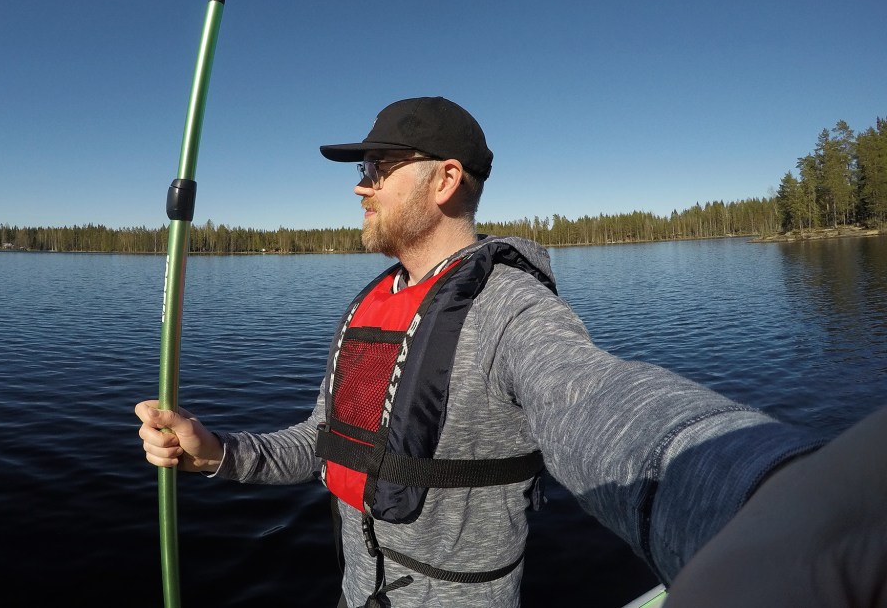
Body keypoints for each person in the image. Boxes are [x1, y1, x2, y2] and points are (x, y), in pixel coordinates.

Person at [136, 96, 887, 608]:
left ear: (444, 179)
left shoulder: (513, 309)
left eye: (377, 167)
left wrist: (777, 501)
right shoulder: (370, 304)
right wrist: (219, 454)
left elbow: (602, 406)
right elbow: (321, 441)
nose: (359, 188)